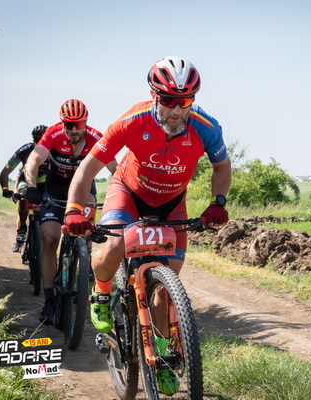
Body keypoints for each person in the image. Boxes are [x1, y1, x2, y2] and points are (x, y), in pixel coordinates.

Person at [63, 56, 231, 395]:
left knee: (164, 293)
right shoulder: (132, 120)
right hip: (129, 193)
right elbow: (88, 168)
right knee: (114, 245)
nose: (177, 109)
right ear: (154, 95)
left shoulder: (206, 127)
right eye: (169, 100)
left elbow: (222, 167)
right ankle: (102, 292)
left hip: (172, 203)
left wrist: (218, 202)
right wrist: (74, 210)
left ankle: (164, 358)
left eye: (185, 101)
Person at [24, 99, 118, 325]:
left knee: (85, 234)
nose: (74, 130)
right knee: (50, 239)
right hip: (55, 189)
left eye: (79, 124)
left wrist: (121, 197)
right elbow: (33, 160)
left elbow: (116, 170)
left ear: (86, 122)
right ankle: (49, 298)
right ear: (62, 123)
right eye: (69, 124)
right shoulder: (54, 134)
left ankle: (83, 270)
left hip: (84, 190)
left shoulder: (96, 137)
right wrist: (31, 187)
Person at [0, 125, 49, 252]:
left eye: (44, 142)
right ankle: (22, 228)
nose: (40, 145)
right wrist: (5, 189)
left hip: (46, 182)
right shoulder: (25, 150)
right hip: (26, 180)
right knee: (23, 196)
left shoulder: (54, 149)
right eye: (38, 141)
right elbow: (5, 171)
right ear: (33, 140)